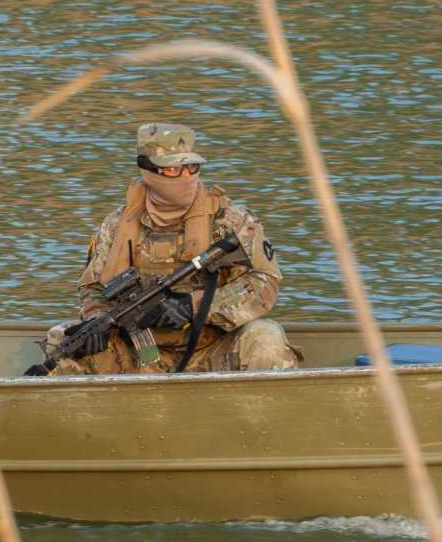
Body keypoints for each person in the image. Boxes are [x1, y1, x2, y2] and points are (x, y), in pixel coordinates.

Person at [47, 123, 301, 375]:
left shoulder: (230, 222)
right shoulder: (116, 226)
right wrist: (96, 320)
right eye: (172, 169)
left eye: (191, 167)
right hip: (141, 356)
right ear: (149, 170)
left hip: (215, 348)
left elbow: (266, 282)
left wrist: (192, 306)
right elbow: (92, 287)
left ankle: (262, 412)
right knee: (62, 339)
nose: (186, 177)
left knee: (266, 337)